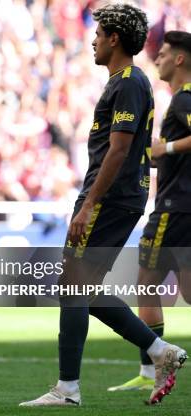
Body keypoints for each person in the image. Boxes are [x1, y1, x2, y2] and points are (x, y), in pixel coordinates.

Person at [20, 4, 186, 407]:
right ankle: (157, 349)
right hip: (114, 196)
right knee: (80, 287)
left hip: (111, 198)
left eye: (98, 34)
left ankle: (69, 388)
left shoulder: (129, 82)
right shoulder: (123, 82)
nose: (92, 40)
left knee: (74, 285)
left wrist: (89, 204)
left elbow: (119, 149)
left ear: (114, 38)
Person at [108, 31, 191, 393]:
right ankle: (152, 368)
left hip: (174, 209)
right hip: (184, 205)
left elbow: (173, 148)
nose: (155, 58)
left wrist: (165, 147)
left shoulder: (186, 99)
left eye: (163, 53)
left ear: (179, 60)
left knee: (146, 285)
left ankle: (151, 369)